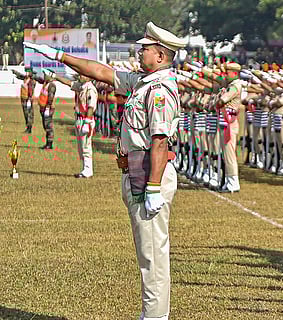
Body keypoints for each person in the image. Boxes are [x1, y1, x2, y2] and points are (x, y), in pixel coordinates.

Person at [24, 21, 186, 320]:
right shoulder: (142, 82)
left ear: (161, 55)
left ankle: (155, 316)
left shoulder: (160, 90)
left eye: (145, 48)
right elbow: (101, 71)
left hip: (148, 173)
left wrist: (152, 187)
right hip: (137, 172)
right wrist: (59, 55)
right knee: (146, 252)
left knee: (152, 254)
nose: (139, 51)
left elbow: (160, 141)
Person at [53, 72, 99, 178]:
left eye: (83, 74)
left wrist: (87, 122)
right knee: (81, 147)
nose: (80, 76)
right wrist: (56, 77)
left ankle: (88, 170)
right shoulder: (81, 86)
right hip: (79, 119)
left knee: (86, 146)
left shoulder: (90, 89)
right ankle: (84, 168)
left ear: (89, 77)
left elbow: (91, 107)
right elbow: (69, 83)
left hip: (85, 120)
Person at [12, 66, 36, 133]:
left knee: (29, 114)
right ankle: (28, 127)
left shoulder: (31, 81)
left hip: (28, 99)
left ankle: (29, 128)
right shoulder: (26, 78)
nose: (26, 73)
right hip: (24, 99)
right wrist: (15, 72)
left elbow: (31, 91)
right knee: (26, 114)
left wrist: (29, 99)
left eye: (27, 71)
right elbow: (20, 76)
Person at [37, 69, 57, 149]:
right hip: (43, 107)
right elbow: (37, 79)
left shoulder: (51, 85)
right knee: (45, 126)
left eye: (45, 75)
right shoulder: (46, 83)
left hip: (47, 108)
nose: (44, 76)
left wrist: (48, 108)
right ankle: (48, 143)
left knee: (48, 126)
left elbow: (50, 98)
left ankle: (49, 144)